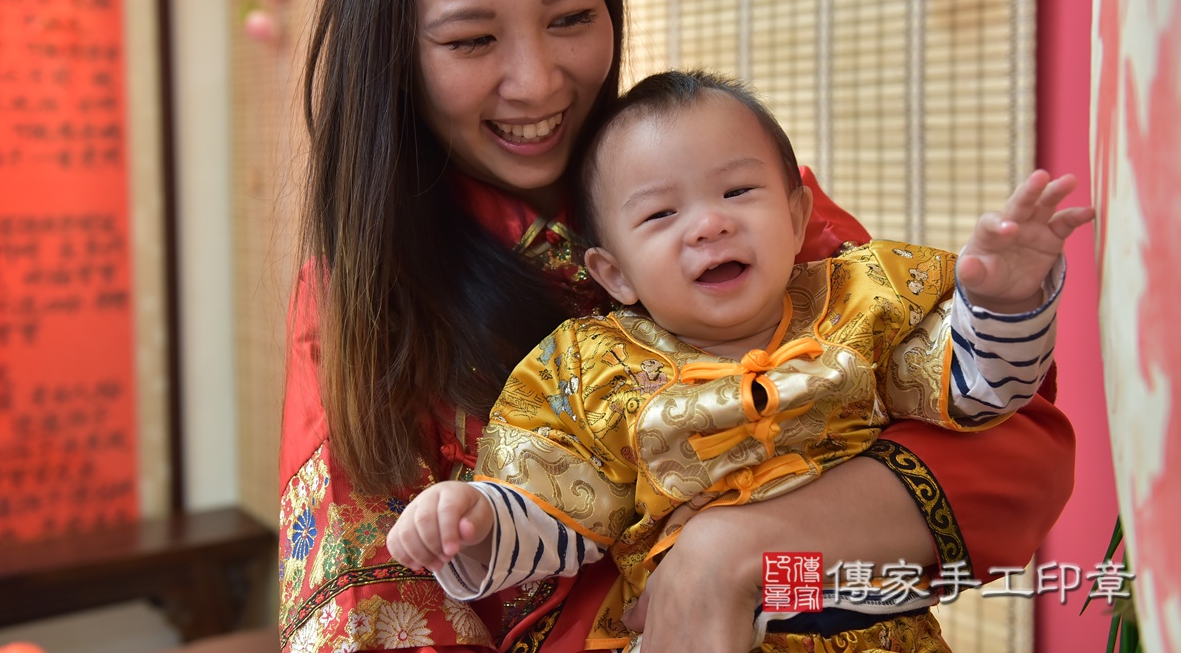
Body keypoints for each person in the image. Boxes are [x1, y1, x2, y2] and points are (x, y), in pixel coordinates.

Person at [278, 0, 1077, 652]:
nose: (536, 81)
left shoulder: (742, 201)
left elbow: (1009, 451)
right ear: (392, 55)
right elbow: (372, 616)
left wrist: (729, 551)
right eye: (471, 40)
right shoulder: (358, 302)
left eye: (570, 19)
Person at [386, 71, 1091, 651]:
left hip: (869, 624)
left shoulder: (860, 301)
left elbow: (977, 394)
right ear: (613, 274)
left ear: (795, 215)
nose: (709, 223)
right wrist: (473, 517)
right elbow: (559, 509)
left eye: (736, 192)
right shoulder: (591, 368)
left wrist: (1003, 302)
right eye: (659, 216)